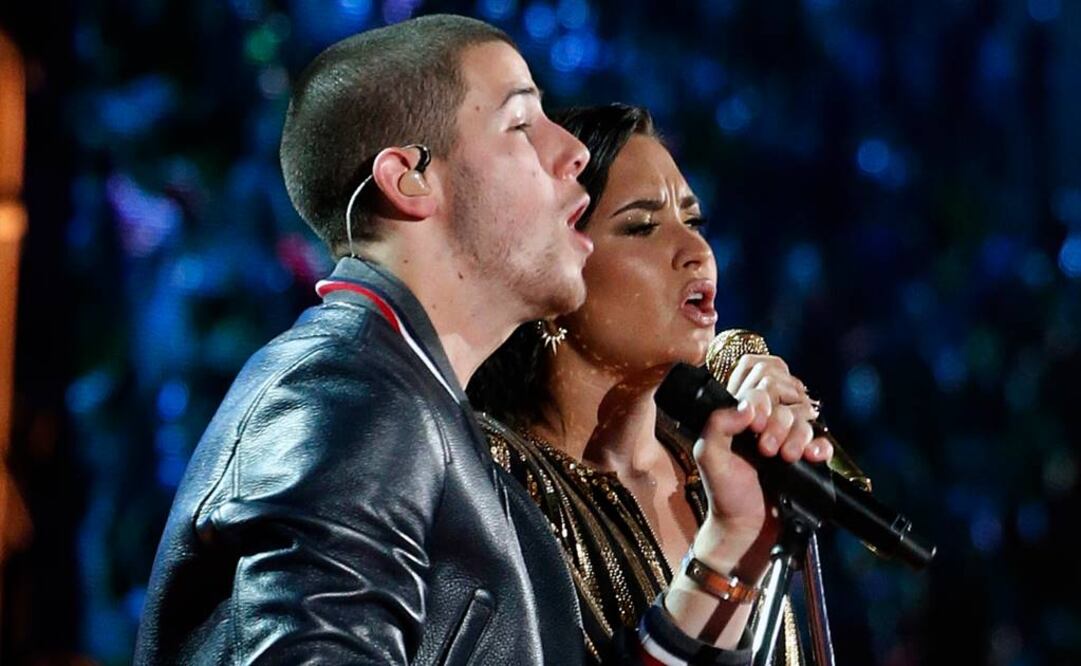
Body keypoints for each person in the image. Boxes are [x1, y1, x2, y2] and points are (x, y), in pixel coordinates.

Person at [134, 16, 818, 665]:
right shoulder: (347, 394)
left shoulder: (425, 420)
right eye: (521, 122)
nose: (572, 153)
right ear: (411, 179)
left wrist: (725, 547)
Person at [469, 104, 831, 663]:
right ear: (550, 264)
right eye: (642, 226)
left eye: (693, 221)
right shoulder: (489, 483)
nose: (697, 253)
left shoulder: (717, 471)